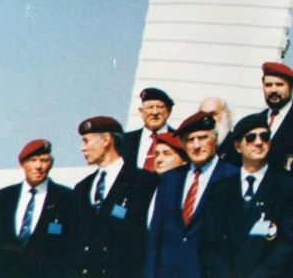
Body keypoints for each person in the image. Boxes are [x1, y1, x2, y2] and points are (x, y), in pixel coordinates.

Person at [201, 113, 293, 277]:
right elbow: (210, 242)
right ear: (238, 146)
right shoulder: (220, 189)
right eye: (250, 138)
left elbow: (288, 242)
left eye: (264, 137)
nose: (258, 142)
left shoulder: (287, 187)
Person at [145, 112, 238, 278]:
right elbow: (156, 234)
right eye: (189, 140)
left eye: (202, 138)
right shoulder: (170, 178)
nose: (196, 145)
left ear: (215, 139)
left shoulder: (233, 177)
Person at [67, 116, 157, 278]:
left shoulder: (143, 182)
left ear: (106, 140)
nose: (82, 148)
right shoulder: (82, 188)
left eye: (86, 141)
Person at [0, 139, 73, 278]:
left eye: (44, 160)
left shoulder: (66, 198)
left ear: (51, 164)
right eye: (32, 160)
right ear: (22, 164)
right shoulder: (3, 197)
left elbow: (70, 245)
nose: (38, 166)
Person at [122, 88, 176, 171]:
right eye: (150, 107)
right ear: (141, 112)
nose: (154, 112)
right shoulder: (124, 140)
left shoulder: (179, 139)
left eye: (160, 107)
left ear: (169, 111)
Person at [199, 95, 242, 166]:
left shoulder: (238, 147)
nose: (208, 120)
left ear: (227, 115)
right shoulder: (195, 145)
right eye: (203, 115)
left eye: (213, 114)